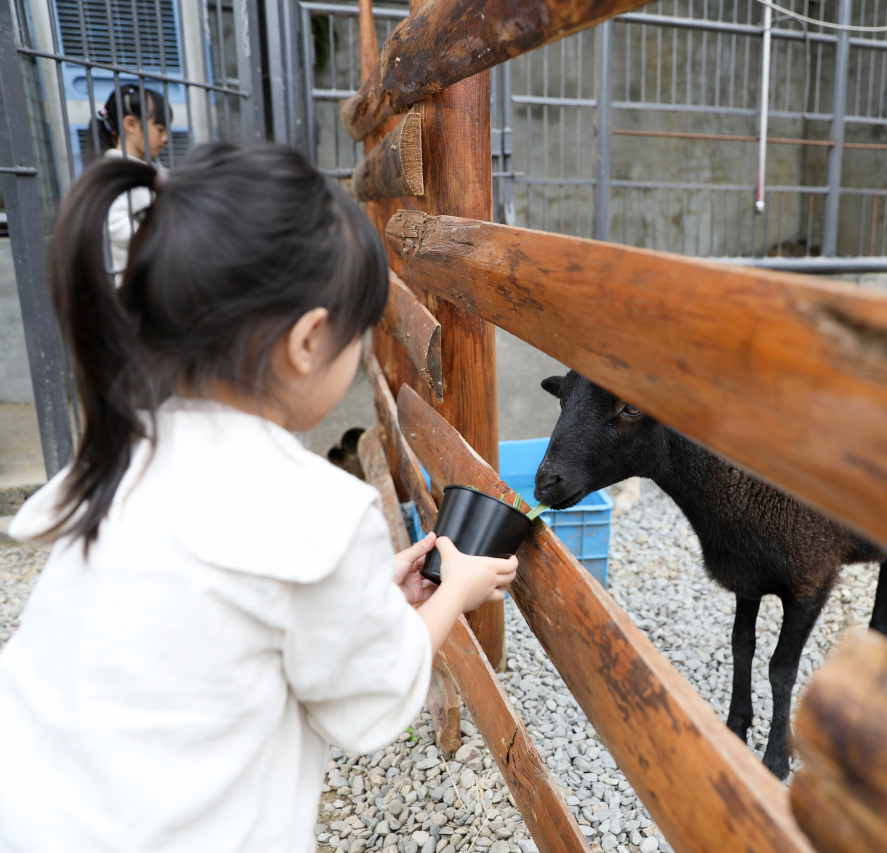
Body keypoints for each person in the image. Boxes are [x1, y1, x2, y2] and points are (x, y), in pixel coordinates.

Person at [0, 144, 517, 851]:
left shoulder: (119, 457)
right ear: (308, 341)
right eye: (357, 335)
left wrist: (363, 601)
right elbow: (367, 702)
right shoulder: (316, 515)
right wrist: (453, 593)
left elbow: (242, 621)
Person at [91, 84, 171, 281]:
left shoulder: (143, 167)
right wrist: (168, 232)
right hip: (133, 285)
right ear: (131, 125)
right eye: (160, 129)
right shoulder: (115, 171)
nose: (166, 138)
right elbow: (114, 226)